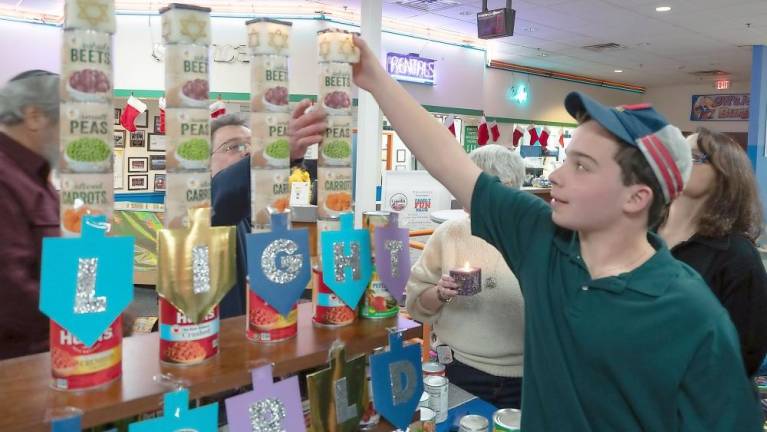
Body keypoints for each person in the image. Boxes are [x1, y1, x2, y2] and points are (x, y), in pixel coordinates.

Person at [351, 36, 763, 430]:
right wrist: (375, 78)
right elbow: (448, 160)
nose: (556, 176)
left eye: (582, 166)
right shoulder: (542, 239)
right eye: (566, 159)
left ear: (636, 198)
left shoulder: (691, 315)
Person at [407, 144, 525, 408]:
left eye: (469, 186)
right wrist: (439, 293)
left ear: (503, 187)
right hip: (457, 369)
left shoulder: (536, 235)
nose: (460, 195)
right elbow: (415, 304)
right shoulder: (451, 233)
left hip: (526, 379)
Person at [659, 127, 767, 377]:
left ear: (724, 175)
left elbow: (744, 354)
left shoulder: (737, 256)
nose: (678, 160)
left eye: (694, 156)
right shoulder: (640, 233)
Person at [212, 100, 327, 318]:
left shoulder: (255, 217)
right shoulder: (197, 210)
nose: (246, 152)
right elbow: (221, 195)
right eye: (233, 146)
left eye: (250, 146)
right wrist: (276, 154)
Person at [0, 70, 60, 359]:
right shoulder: (6, 178)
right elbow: (10, 286)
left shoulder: (33, 177)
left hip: (42, 355)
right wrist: (89, 318)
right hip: (15, 367)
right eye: (69, 122)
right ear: (34, 116)